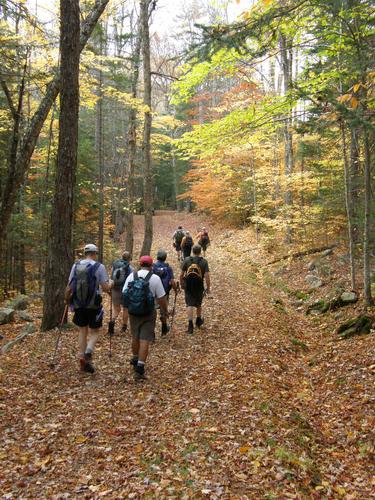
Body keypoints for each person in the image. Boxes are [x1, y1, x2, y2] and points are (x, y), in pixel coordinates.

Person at [66, 243, 111, 373]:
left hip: (79, 304)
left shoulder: (76, 265)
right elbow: (105, 287)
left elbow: (69, 286)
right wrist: (111, 284)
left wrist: (67, 300)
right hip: (94, 305)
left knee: (82, 330)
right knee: (95, 331)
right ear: (95, 253)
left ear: (85, 253)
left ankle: (81, 356)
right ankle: (88, 352)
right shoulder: (99, 267)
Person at [122, 255, 168, 381]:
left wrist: (128, 307)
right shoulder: (155, 278)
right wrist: (165, 311)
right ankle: (140, 368)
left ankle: (135, 358)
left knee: (135, 336)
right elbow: (161, 298)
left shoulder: (132, 276)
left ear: (140, 264)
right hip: (148, 313)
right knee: (145, 340)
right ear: (151, 265)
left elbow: (124, 292)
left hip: (133, 312)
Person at [180, 244, 210, 335]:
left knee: (189, 304)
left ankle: (190, 325)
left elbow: (181, 274)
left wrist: (182, 284)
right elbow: (207, 276)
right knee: (198, 303)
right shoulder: (204, 262)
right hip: (199, 285)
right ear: (200, 251)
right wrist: (208, 288)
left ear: (192, 251)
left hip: (188, 284)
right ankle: (198, 320)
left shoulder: (187, 260)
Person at [152, 249, 178, 336]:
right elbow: (172, 281)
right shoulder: (168, 268)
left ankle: (152, 332)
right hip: (164, 293)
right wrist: (175, 290)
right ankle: (164, 328)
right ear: (165, 258)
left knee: (153, 311)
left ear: (157, 257)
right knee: (163, 311)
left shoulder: (153, 267)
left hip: (153, 293)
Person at [110, 251, 133, 334]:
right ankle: (124, 327)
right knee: (125, 309)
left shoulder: (115, 265)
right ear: (129, 259)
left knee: (116, 309)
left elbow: (111, 277)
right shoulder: (130, 268)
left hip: (115, 289)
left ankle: (112, 322)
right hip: (125, 291)